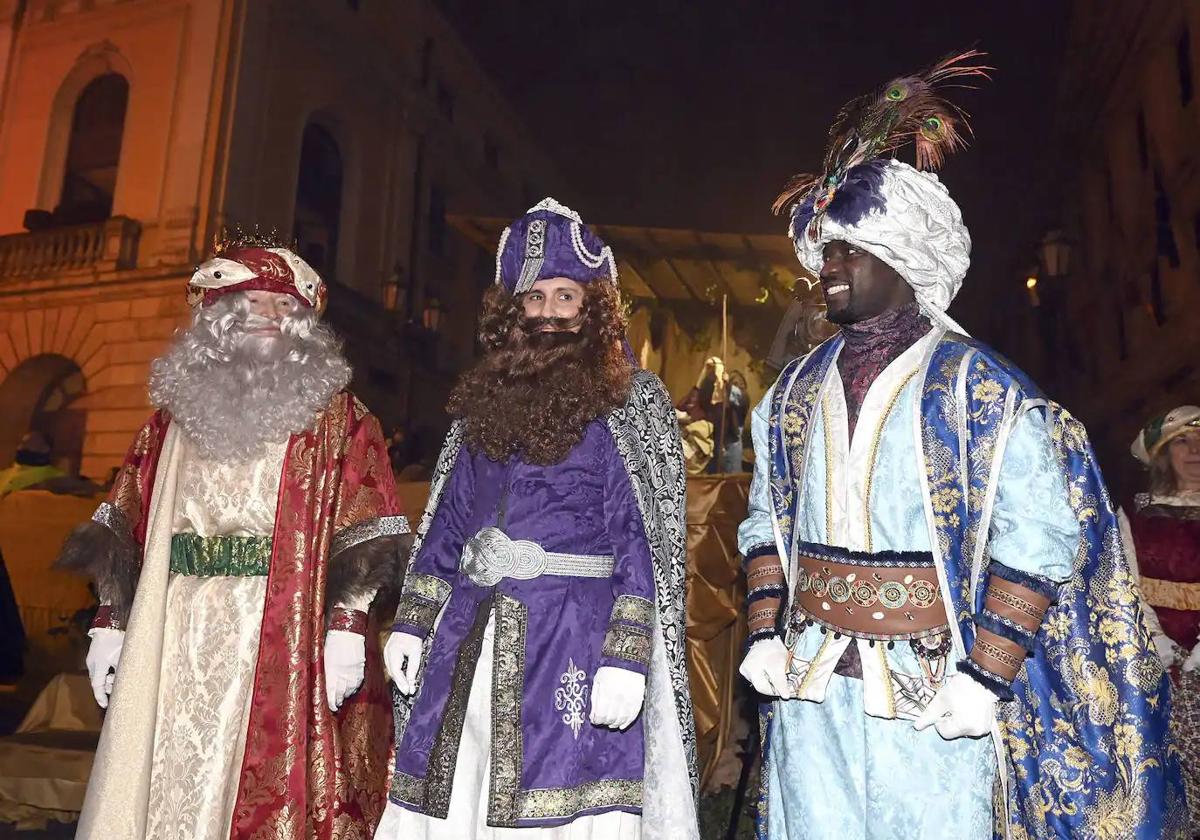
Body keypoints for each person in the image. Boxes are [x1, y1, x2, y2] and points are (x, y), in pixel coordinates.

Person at [737, 52, 1185, 839]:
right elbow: (764, 520)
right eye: (825, 251)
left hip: (936, 690)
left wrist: (988, 672)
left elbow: (1039, 536)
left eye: (849, 249)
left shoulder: (983, 391)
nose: (828, 267)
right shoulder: (791, 393)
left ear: (906, 256)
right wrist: (766, 627)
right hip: (811, 687)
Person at [56, 230, 411, 839]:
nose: (268, 317)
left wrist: (348, 625)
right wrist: (110, 623)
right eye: (252, 302)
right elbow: (124, 519)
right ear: (217, 314)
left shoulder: (339, 419)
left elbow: (368, 522)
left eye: (283, 305)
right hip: (171, 622)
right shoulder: (170, 419)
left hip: (279, 627)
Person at [376, 198, 699, 840]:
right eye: (534, 298)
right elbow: (448, 525)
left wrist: (626, 659)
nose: (549, 313)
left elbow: (644, 545)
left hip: (575, 638)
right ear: (512, 310)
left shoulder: (629, 402)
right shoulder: (481, 405)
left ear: (591, 307)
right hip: (470, 637)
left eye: (565, 297)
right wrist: (412, 623)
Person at [1123, 405, 1200, 831]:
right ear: (1161, 457)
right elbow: (1125, 587)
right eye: (1182, 443)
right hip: (1159, 667)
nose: (1195, 452)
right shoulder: (1132, 519)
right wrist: (1155, 642)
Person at [676, 358, 749, 474]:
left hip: (730, 451)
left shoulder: (743, 399)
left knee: (730, 485)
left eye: (739, 385)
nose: (737, 387)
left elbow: (739, 396)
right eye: (733, 384)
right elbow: (688, 406)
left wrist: (727, 383)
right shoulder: (717, 402)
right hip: (715, 452)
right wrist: (704, 373)